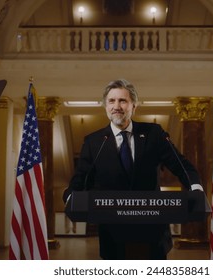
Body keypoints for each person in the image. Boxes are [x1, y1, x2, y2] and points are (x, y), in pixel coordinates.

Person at [63, 79, 204, 260]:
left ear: (134, 106)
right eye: (111, 101)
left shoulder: (154, 134)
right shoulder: (94, 142)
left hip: (152, 231)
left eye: (123, 101)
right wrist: (70, 196)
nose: (117, 106)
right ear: (105, 107)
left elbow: (181, 165)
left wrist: (196, 188)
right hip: (113, 234)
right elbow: (81, 178)